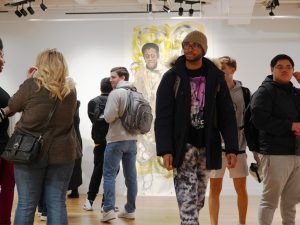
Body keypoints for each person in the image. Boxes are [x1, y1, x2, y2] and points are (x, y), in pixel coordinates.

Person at [155, 30, 239, 225]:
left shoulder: (215, 77)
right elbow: (163, 117)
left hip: (207, 145)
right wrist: (166, 149)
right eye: (186, 44)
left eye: (194, 44)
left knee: (198, 198)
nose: (189, 48)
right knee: (187, 200)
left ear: (203, 48)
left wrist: (232, 148)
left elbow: (227, 114)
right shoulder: (172, 77)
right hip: (182, 145)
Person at [1, 48, 81, 225]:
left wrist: (28, 79)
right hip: (63, 153)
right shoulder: (71, 90)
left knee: (26, 204)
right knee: (57, 204)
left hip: (29, 152)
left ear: (41, 65)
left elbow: (13, 104)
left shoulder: (32, 86)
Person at [251, 54, 300, 225]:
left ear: (293, 70)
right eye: (280, 66)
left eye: (288, 67)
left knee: (291, 201)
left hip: (297, 153)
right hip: (275, 153)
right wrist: (291, 126)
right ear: (272, 69)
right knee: (270, 200)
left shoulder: (296, 92)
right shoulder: (265, 91)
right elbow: (259, 120)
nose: (285, 70)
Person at [209, 56, 250, 225]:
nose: (220, 71)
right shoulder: (212, 91)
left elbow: (249, 121)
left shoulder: (244, 92)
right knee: (214, 189)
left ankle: (242, 223)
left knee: (241, 189)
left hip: (239, 148)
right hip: (216, 148)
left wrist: (254, 149)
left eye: (223, 68)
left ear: (232, 69)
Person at [101, 67, 138, 222]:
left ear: (122, 77)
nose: (110, 80)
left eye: (113, 77)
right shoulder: (136, 93)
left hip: (116, 139)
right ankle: (130, 209)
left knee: (109, 175)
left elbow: (109, 117)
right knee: (131, 176)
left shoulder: (116, 93)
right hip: (133, 140)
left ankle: (109, 210)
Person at [83, 77, 114, 211]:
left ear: (100, 87)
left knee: (97, 171)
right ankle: (105, 204)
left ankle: (89, 201)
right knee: (111, 173)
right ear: (112, 87)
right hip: (113, 141)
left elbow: (93, 120)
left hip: (99, 142)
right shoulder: (115, 101)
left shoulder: (92, 102)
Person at [0, 37, 15, 225]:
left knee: (9, 185)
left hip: (4, 146)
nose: (4, 60)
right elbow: (8, 108)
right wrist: (6, 110)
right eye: (0, 55)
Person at [68, 100, 83, 198]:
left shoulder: (65, 104)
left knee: (68, 163)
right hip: (76, 136)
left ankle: (72, 189)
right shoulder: (76, 103)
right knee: (76, 163)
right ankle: (75, 189)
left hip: (69, 136)